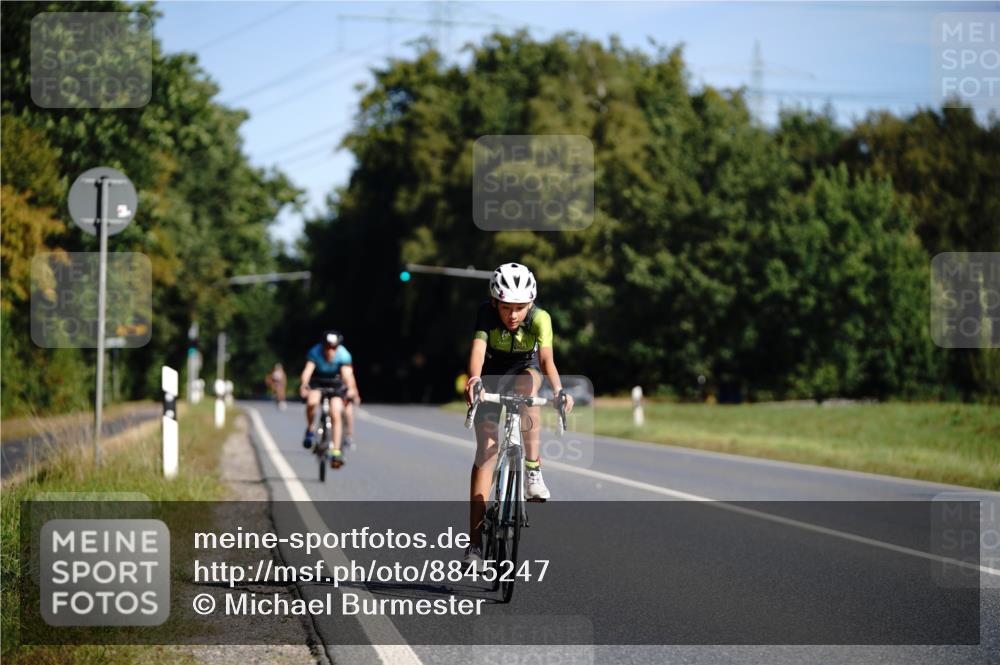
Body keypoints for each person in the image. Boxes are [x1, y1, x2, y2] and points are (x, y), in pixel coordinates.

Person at [462, 262, 574, 569]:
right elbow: (477, 351)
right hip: (492, 375)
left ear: (531, 303)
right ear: (496, 302)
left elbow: (547, 360)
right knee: (486, 451)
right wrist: (473, 380)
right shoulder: (486, 313)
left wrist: (559, 391)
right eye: (507, 308)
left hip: (525, 371)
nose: (513, 315)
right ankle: (474, 546)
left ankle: (533, 471)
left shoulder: (541, 318)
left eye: (520, 308)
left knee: (528, 390)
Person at [298, 330, 361, 468]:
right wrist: (304, 385)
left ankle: (336, 450)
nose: (330, 351)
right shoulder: (315, 352)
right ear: (323, 346)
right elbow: (307, 371)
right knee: (312, 402)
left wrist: (351, 388)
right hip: (318, 381)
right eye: (327, 347)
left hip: (335, 383)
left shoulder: (343, 355)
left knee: (335, 413)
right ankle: (310, 429)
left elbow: (347, 374)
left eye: (333, 348)